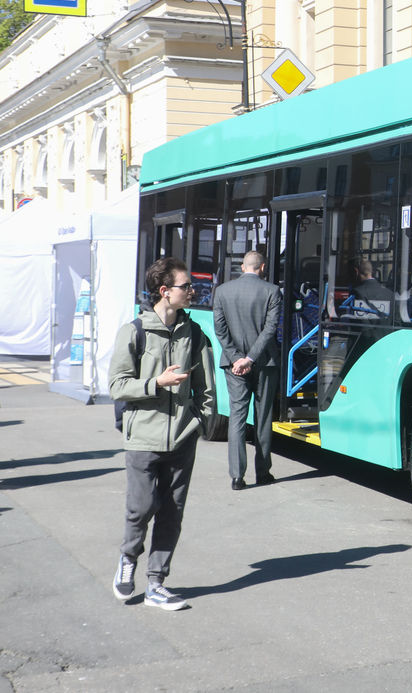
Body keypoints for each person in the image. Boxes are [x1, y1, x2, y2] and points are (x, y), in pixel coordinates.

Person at [109, 256, 217, 611]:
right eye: (186, 286)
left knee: (172, 512)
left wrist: (199, 422)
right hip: (142, 438)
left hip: (182, 439)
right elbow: (117, 384)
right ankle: (128, 561)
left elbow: (206, 387)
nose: (192, 291)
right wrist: (157, 382)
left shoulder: (195, 333)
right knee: (140, 508)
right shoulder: (134, 331)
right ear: (164, 291)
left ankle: (157, 582)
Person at [213, 250, 283, 490]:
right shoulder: (272, 291)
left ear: (242, 267)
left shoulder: (222, 291)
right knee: (262, 418)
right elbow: (270, 329)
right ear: (262, 268)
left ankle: (237, 476)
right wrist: (251, 358)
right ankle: (262, 472)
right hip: (265, 363)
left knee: (237, 417)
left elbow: (220, 331)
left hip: (233, 365)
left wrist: (237, 359)